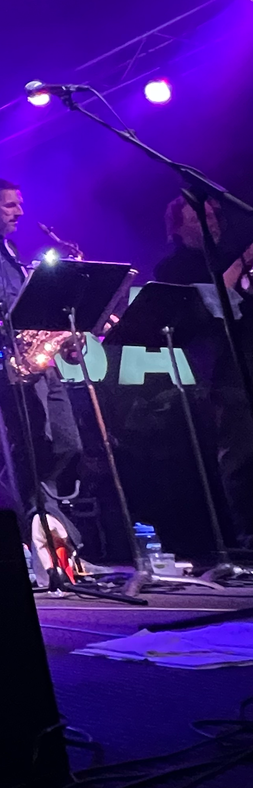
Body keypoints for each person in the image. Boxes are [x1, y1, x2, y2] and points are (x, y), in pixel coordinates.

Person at [0, 178, 82, 510]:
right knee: (35, 446)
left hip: (38, 360)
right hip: (6, 362)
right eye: (10, 205)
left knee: (68, 444)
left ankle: (50, 515)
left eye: (20, 204)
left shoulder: (10, 250)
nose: (20, 212)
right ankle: (39, 520)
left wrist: (57, 333)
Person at [155, 194, 253, 545]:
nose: (211, 223)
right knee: (241, 452)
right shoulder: (174, 268)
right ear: (178, 229)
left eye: (213, 216)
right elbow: (209, 302)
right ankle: (248, 535)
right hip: (222, 366)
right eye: (199, 218)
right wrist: (244, 261)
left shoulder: (226, 254)